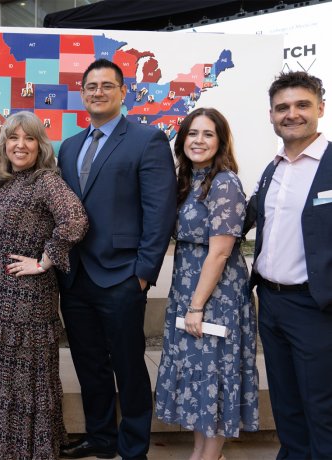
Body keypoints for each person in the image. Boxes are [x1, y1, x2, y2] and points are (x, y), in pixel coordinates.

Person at [56, 59, 177, 460]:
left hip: (123, 276)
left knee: (128, 365)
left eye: (107, 85)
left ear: (123, 92)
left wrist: (143, 273)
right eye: (91, 86)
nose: (98, 92)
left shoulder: (147, 140)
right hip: (75, 277)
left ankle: (133, 446)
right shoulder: (70, 146)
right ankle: (101, 437)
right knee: (89, 363)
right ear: (83, 93)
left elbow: (160, 213)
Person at [0, 111, 88, 459]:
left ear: (39, 145)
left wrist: (45, 260)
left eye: (29, 138)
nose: (20, 145)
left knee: (25, 382)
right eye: (13, 138)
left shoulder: (45, 181)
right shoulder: (1, 183)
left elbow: (75, 220)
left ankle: (29, 450)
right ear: (5, 144)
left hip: (28, 303)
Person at [154, 108, 259, 460]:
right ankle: (202, 454)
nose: (199, 140)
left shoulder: (224, 182)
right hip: (190, 286)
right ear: (182, 140)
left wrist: (196, 306)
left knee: (214, 375)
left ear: (221, 141)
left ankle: (207, 456)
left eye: (208, 134)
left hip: (215, 293)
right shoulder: (189, 179)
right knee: (200, 379)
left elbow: (220, 252)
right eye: (192, 133)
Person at [246, 71, 332, 459]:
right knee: (285, 401)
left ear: (321, 109)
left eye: (302, 105)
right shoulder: (272, 169)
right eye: (283, 107)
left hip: (316, 307)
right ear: (271, 115)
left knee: (322, 406)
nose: (292, 114)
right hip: (273, 303)